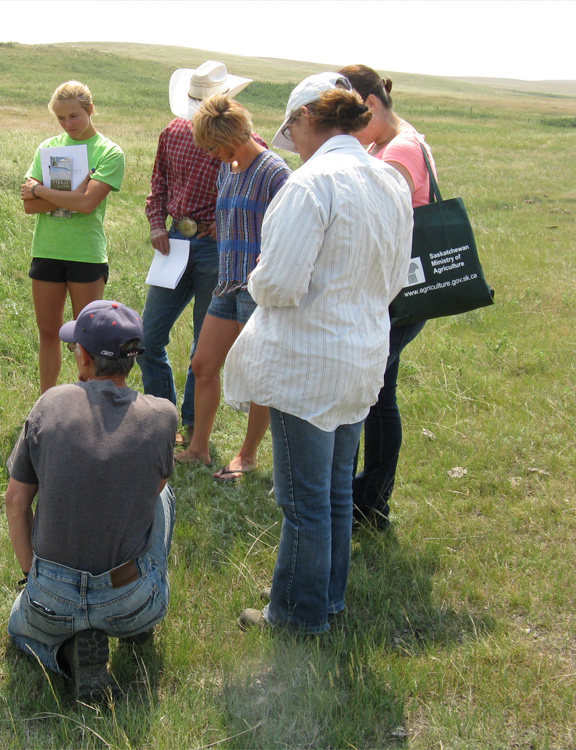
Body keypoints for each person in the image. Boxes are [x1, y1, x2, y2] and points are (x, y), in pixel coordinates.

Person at [224, 73, 412, 634]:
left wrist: (256, 278)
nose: (293, 144)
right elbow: (398, 278)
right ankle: (322, 597)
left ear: (307, 118)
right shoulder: (388, 181)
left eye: (293, 131)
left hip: (307, 362)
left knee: (304, 499)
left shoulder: (310, 185)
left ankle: (297, 615)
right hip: (360, 357)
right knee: (331, 493)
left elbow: (278, 282)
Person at [5, 300, 176, 701]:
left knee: (20, 629)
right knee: (164, 492)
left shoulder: (50, 404)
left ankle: (66, 654)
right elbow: (152, 491)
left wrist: (34, 574)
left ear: (83, 357)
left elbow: (16, 500)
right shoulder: (163, 415)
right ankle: (136, 625)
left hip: (52, 596)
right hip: (130, 596)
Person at [139, 61, 267, 448]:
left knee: (203, 344)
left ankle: (195, 426)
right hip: (175, 239)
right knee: (148, 336)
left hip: (216, 247)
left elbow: (251, 199)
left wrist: (222, 226)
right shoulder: (174, 132)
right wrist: (157, 223)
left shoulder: (247, 143)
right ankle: (166, 418)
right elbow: (158, 181)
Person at [338, 64, 438, 531]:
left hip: (397, 293)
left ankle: (359, 501)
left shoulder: (400, 149)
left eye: (354, 119)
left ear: (371, 105)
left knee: (365, 391)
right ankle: (370, 504)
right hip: (395, 290)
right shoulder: (388, 142)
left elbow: (375, 216)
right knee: (379, 395)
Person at [173, 95, 290, 481]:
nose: (210, 154)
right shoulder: (227, 168)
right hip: (227, 283)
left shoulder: (275, 171)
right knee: (203, 364)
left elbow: (289, 232)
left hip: (257, 289)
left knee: (258, 375)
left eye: (212, 146)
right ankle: (199, 448)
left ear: (232, 135)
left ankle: (248, 455)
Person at [19, 81, 125, 394]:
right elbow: (29, 205)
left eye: (74, 116)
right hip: (48, 250)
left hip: (86, 254)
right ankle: (46, 403)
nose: (68, 124)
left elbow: (88, 204)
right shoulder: (48, 148)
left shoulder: (110, 152)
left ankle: (91, 402)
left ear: (90, 110)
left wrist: (42, 190)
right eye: (61, 118)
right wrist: (74, 193)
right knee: (48, 333)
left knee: (89, 337)